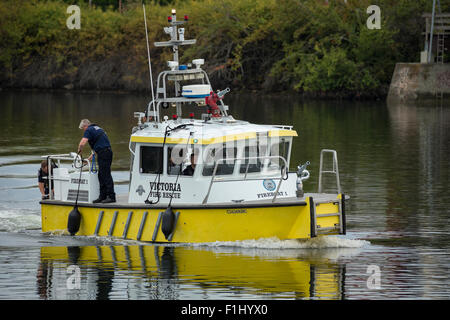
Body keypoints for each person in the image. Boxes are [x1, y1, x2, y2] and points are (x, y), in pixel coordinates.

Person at [78, 119, 116, 203]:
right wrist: (88, 159)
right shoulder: (97, 129)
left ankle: (111, 196)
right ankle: (102, 196)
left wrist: (79, 152)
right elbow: (98, 147)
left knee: (105, 175)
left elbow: (82, 143)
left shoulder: (89, 129)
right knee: (101, 174)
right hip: (106, 152)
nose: (84, 131)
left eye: (83, 129)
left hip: (104, 153)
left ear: (85, 126)